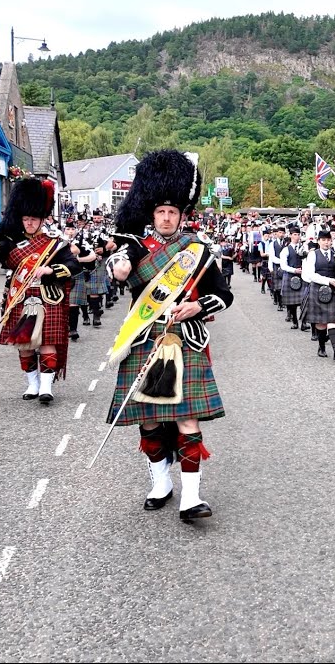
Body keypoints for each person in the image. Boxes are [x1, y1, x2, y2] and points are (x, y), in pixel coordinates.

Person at [105, 150, 232, 522]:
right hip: (144, 339)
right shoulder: (135, 247)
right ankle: (161, 482)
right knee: (147, 420)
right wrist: (119, 266)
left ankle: (191, 498)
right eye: (160, 211)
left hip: (185, 339)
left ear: (181, 214)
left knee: (186, 421)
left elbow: (225, 295)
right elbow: (118, 269)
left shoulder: (197, 251)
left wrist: (198, 306)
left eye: (172, 212)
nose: (165, 217)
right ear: (152, 213)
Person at [0, 178, 79, 405]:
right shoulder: (12, 243)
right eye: (26, 219)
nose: (29, 223)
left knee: (47, 342)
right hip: (21, 297)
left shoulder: (56, 243)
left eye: (33, 219)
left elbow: (74, 266)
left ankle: (46, 387)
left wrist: (50, 269)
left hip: (48, 298)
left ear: (42, 220)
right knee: (24, 345)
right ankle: (32, 384)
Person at [301, 229, 335, 360]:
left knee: (333, 320)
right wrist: (327, 280)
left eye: (328, 240)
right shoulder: (313, 255)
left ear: (331, 241)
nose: (326, 243)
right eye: (323, 240)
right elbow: (310, 274)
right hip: (318, 290)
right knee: (321, 323)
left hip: (334, 291)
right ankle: (322, 346)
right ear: (319, 241)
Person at [278, 226, 309, 330]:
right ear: (290, 235)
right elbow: (283, 266)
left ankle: (304, 322)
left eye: (298, 234)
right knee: (292, 303)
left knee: (305, 301)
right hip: (290, 276)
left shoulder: (304, 248)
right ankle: (295, 321)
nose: (297, 236)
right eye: (295, 234)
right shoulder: (286, 250)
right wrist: (294, 270)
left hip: (303, 277)